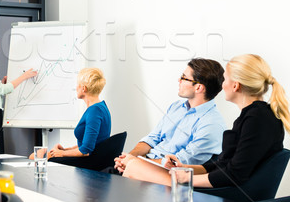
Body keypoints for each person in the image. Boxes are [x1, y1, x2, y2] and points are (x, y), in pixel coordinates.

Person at [123, 54, 290, 189]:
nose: (221, 85)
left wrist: (185, 179)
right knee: (133, 166)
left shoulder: (257, 118)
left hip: (227, 195)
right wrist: (181, 168)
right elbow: (222, 165)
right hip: (217, 183)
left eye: (225, 79)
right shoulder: (251, 116)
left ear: (235, 86)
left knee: (133, 167)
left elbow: (234, 174)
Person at [115, 58, 225, 174]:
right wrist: (129, 158)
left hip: (164, 176)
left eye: (184, 78)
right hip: (143, 165)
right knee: (104, 174)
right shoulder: (176, 107)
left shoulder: (212, 124)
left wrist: (134, 163)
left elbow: (178, 163)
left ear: (198, 87)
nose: (179, 80)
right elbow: (152, 139)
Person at [47, 68, 111, 162]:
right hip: (91, 158)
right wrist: (66, 150)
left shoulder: (94, 111)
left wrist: (62, 153)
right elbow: (91, 143)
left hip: (88, 162)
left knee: (35, 156)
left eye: (78, 85)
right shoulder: (100, 107)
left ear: (84, 88)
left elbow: (86, 150)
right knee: (39, 154)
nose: (76, 88)